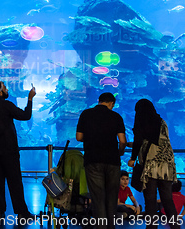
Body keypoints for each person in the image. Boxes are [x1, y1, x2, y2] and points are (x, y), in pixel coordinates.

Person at [0, 81, 36, 220]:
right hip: (9, 149)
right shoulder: (7, 105)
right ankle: (21, 212)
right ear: (0, 91)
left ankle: (0, 212)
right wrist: (30, 99)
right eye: (5, 88)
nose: (7, 90)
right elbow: (26, 116)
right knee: (15, 181)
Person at [76, 92, 126, 229]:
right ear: (111, 103)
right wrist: (120, 152)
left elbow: (79, 137)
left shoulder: (86, 114)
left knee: (98, 198)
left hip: (93, 160)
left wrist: (93, 138)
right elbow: (122, 141)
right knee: (111, 198)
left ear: (99, 101)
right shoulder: (116, 116)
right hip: (112, 161)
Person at [128, 99, 179, 229]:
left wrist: (133, 158)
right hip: (167, 164)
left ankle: (151, 227)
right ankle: (175, 227)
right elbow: (159, 140)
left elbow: (140, 141)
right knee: (167, 199)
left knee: (150, 200)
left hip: (151, 164)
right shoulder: (162, 121)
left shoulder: (141, 120)